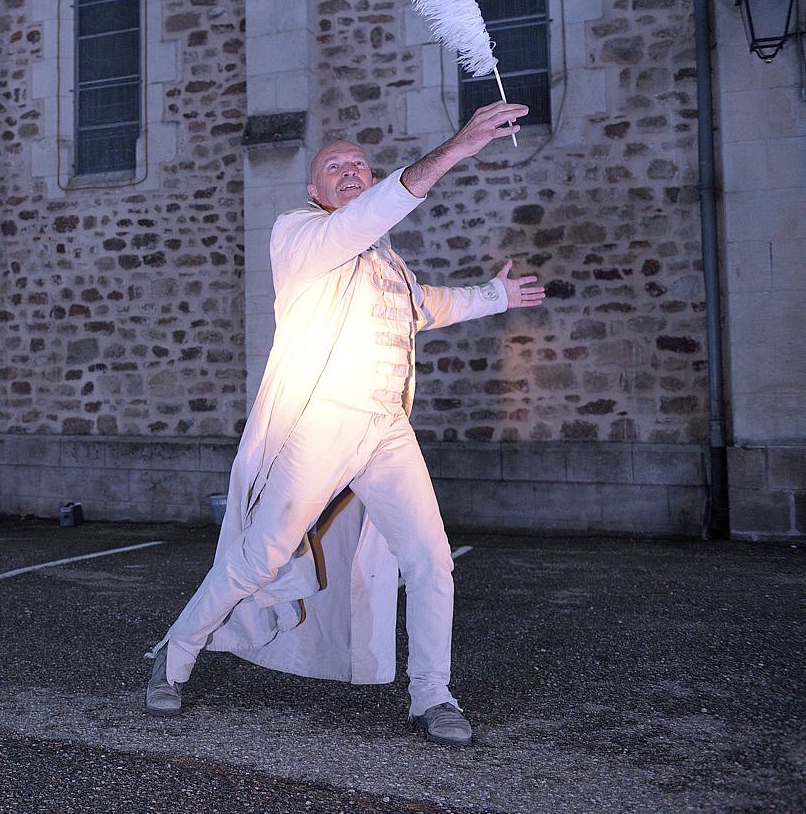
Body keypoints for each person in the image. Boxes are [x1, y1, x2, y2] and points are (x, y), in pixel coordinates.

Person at [145, 100, 544, 746]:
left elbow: (425, 304)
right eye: (334, 166)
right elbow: (373, 213)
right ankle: (177, 655)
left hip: (385, 427)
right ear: (314, 190)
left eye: (359, 164)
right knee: (260, 555)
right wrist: (455, 147)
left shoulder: (385, 262)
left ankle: (432, 694)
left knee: (430, 558)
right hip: (322, 420)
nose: (351, 171)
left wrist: (495, 295)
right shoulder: (298, 236)